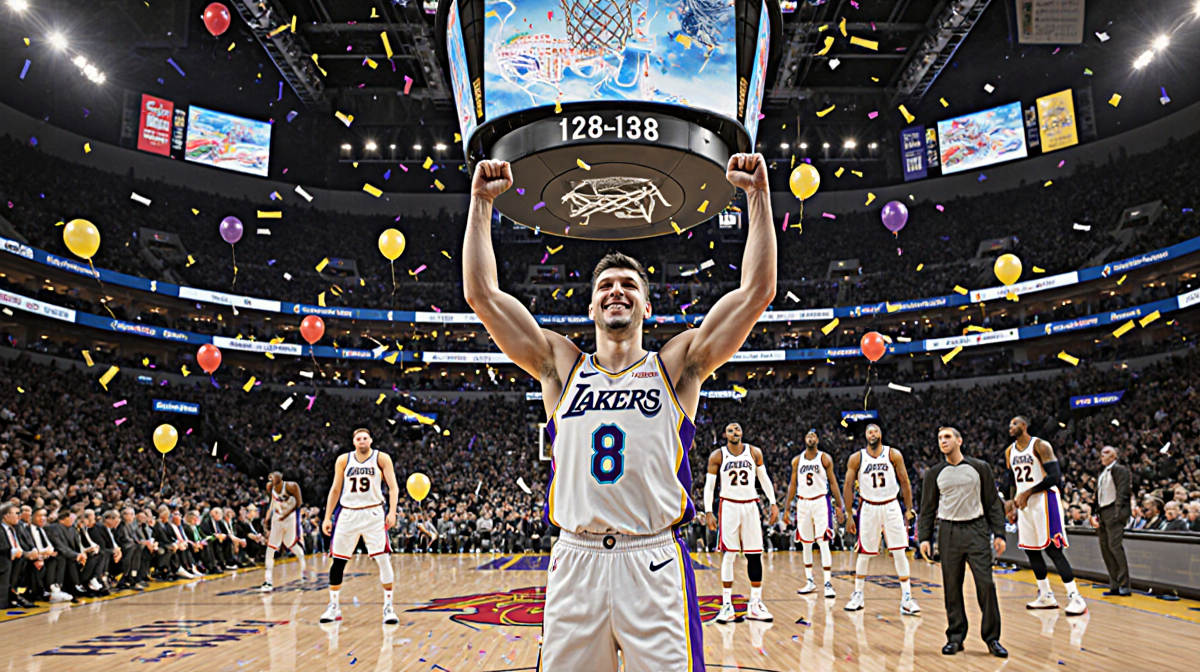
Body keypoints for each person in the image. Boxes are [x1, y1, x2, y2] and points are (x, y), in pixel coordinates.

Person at [463, 154, 776, 671]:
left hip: (650, 560)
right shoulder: (559, 366)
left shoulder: (677, 366)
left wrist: (758, 198)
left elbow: (756, 293)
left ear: (647, 308)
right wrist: (480, 205)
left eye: (630, 285)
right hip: (575, 559)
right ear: (590, 307)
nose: (617, 291)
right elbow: (482, 295)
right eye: (606, 285)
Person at [918, 427, 1008, 658]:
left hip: (976, 530)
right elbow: (927, 509)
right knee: (952, 587)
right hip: (948, 531)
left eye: (947, 437)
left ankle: (992, 638)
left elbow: (992, 503)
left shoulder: (979, 468)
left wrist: (999, 533)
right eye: (939, 438)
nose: (943, 441)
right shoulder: (935, 473)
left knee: (985, 584)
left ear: (959, 440)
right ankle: (955, 637)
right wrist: (924, 538)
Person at [1005, 416, 1086, 615]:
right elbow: (1010, 479)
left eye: (1014, 424)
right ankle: (1045, 595)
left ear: (1024, 426)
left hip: (1044, 500)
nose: (1010, 427)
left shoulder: (1040, 445)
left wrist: (1028, 492)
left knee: (1053, 550)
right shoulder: (1009, 451)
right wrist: (1010, 503)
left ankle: (1075, 597)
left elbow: (1055, 477)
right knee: (1031, 550)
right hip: (1024, 504)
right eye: (1009, 425)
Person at [320, 428, 401, 625]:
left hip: (373, 512)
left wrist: (392, 511)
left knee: (383, 559)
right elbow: (335, 489)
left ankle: (388, 607)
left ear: (371, 440)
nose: (362, 441)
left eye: (365, 438)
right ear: (353, 441)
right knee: (338, 561)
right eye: (358, 438)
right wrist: (327, 517)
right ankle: (333, 606)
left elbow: (393, 486)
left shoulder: (382, 458)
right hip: (348, 513)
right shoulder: (343, 460)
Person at [704, 422, 779, 623]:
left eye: (737, 429)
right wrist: (708, 511)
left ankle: (755, 603)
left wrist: (772, 503)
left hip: (751, 505)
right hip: (728, 505)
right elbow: (709, 486)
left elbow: (764, 480)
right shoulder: (717, 455)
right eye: (730, 430)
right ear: (724, 434)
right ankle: (727, 605)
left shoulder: (754, 453)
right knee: (729, 555)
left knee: (754, 554)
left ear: (742, 432)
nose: (734, 432)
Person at [842, 424, 920, 615]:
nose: (873, 434)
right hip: (868, 507)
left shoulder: (893, 454)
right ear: (865, 436)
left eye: (875, 431)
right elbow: (848, 486)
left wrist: (909, 508)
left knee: (900, 551)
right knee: (865, 552)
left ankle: (907, 598)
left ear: (881, 434)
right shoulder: (857, 458)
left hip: (891, 505)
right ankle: (858, 594)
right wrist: (849, 514)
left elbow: (904, 481)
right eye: (869, 432)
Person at [782, 429, 844, 599]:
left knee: (823, 542)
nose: (811, 438)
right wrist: (787, 509)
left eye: (813, 436)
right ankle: (809, 580)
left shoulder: (824, 458)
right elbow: (792, 485)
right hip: (803, 503)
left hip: (820, 502)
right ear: (804, 440)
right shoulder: (797, 460)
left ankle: (827, 583)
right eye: (808, 436)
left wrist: (840, 506)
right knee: (806, 543)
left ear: (817, 440)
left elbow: (833, 482)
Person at [1090, 446, 1131, 596]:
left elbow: (1123, 492)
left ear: (1114, 456)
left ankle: (1124, 584)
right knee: (1105, 549)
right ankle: (1114, 584)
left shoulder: (1120, 470)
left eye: (1106, 453)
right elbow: (1098, 496)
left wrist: (1118, 513)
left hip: (1113, 511)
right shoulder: (1102, 473)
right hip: (1103, 512)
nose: (1102, 455)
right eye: (1101, 453)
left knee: (1115, 547)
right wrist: (1094, 513)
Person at [260, 471, 308, 592]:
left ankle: (303, 568)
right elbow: (273, 501)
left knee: (290, 544)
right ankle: (268, 581)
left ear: (280, 479)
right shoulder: (270, 487)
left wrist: (285, 514)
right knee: (270, 548)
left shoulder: (292, 486)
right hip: (277, 519)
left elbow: (299, 503)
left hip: (290, 519)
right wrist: (267, 517)